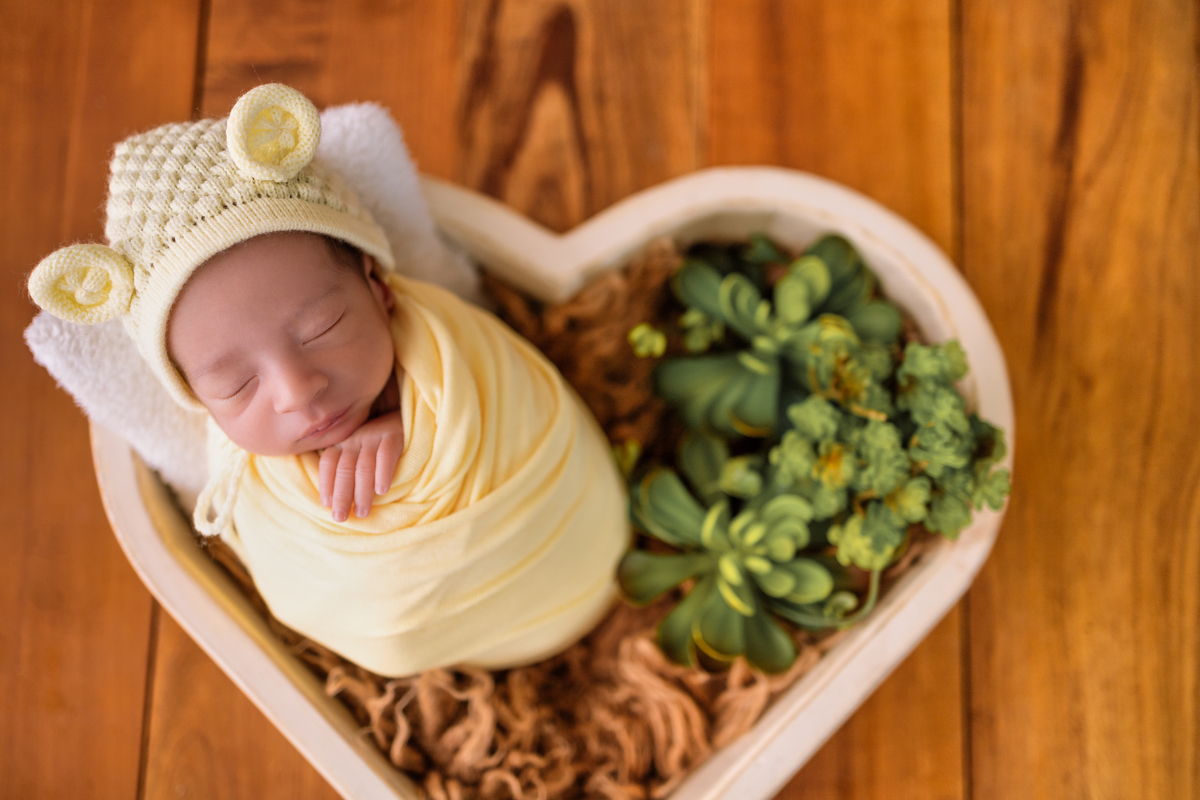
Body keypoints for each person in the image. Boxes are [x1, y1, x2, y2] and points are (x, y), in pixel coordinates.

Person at [28, 84, 628, 677]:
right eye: (237, 385)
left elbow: (519, 404)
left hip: (579, 537)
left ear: (377, 284)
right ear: (199, 403)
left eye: (322, 327)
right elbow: (334, 599)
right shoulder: (252, 487)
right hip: (471, 642)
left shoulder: (451, 345)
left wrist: (417, 428)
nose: (296, 390)